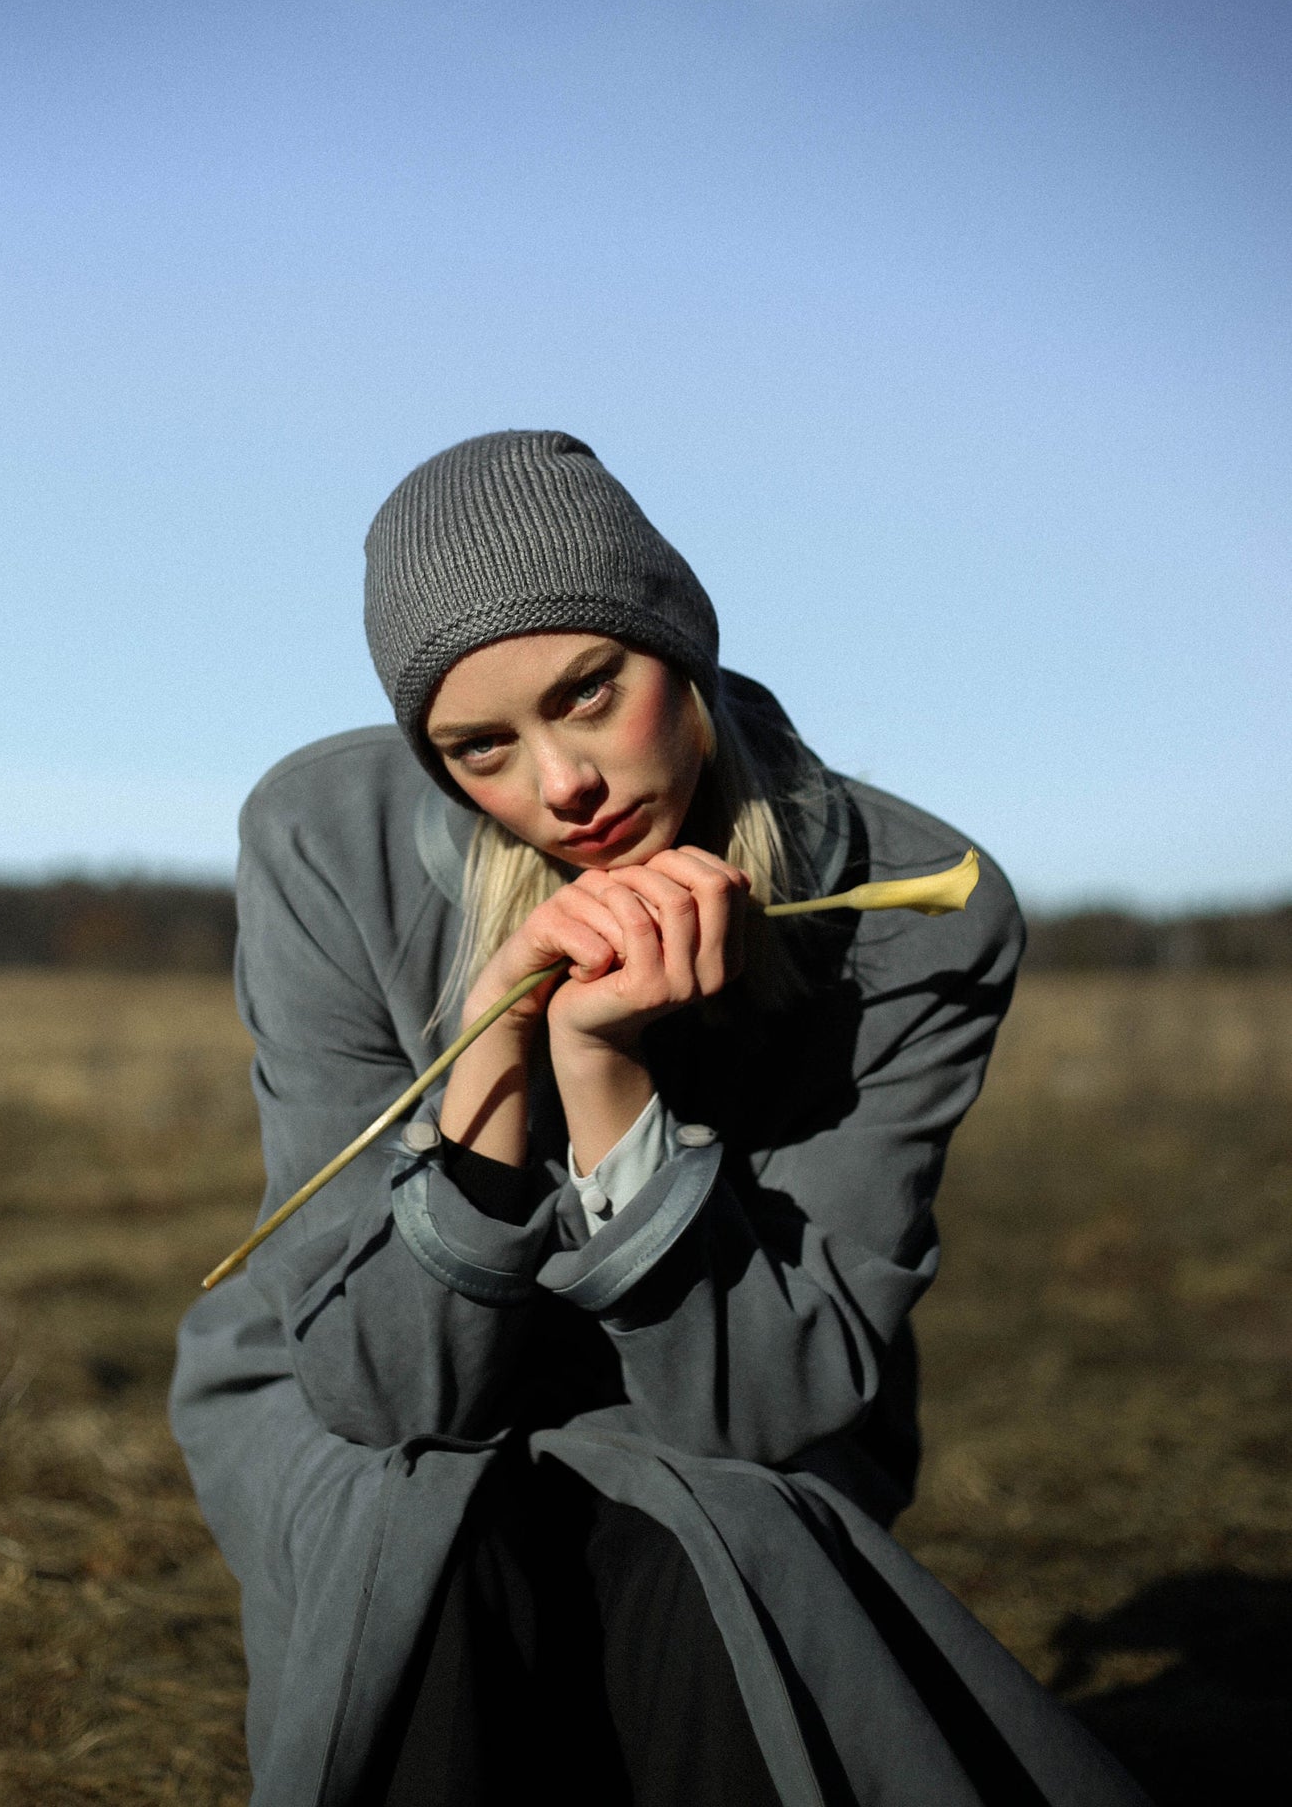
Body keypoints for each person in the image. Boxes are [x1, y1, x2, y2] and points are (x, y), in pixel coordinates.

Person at [171, 429, 1147, 1806]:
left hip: (733, 1387)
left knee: (713, 1539)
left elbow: (760, 1406)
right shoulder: (322, 838)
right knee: (424, 1534)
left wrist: (608, 1078)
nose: (557, 783)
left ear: (677, 644)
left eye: (588, 692)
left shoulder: (914, 910)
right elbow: (391, 1393)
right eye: (478, 749)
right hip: (350, 1372)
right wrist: (497, 1050)